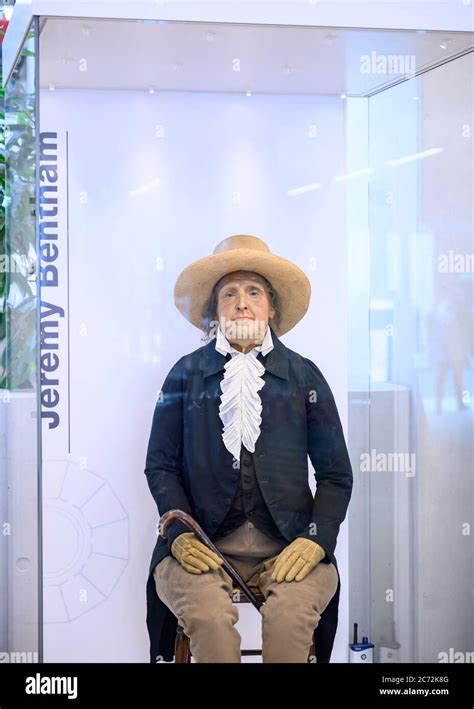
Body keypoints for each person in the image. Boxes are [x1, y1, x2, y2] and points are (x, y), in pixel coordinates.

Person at [144, 234, 353, 662]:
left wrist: (316, 540)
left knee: (292, 618)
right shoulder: (183, 376)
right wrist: (179, 534)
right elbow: (160, 466)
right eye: (230, 293)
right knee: (206, 616)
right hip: (201, 545)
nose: (242, 303)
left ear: (271, 307)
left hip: (290, 545)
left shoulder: (304, 377)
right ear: (214, 311)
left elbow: (335, 475)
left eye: (254, 292)